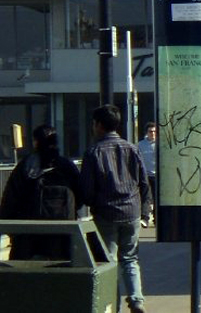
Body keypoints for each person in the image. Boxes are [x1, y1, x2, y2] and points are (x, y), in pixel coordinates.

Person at [80, 104, 150, 313]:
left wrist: (91, 205)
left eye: (94, 123)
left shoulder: (93, 152)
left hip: (106, 213)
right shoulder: (132, 148)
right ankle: (136, 299)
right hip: (132, 211)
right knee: (130, 258)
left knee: (108, 263)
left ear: (99, 125)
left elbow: (87, 188)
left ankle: (113, 305)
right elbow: (144, 182)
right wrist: (145, 210)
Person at [0, 124, 81, 260]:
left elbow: (11, 199)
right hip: (62, 233)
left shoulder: (26, 166)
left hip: (29, 234)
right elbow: (80, 195)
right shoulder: (67, 166)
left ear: (36, 142)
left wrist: (11, 229)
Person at [137, 122, 157, 226]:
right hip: (146, 175)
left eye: (154, 131)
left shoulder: (161, 144)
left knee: (158, 198)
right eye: (150, 131)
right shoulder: (140, 145)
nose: (153, 133)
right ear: (147, 132)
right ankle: (144, 218)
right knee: (146, 197)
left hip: (158, 175)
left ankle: (157, 219)